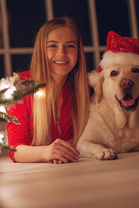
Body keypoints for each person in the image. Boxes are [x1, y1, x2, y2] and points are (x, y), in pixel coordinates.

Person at [6, 17, 90, 164]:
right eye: (53, 46)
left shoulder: (83, 90)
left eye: (70, 46)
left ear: (78, 51)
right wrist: (46, 152)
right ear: (41, 50)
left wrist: (65, 149)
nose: (62, 53)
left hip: (75, 170)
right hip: (33, 178)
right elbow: (15, 150)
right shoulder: (21, 87)